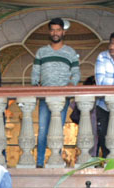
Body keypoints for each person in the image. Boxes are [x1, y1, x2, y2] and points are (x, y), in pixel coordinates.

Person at [31, 18, 79, 168]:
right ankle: (39, 162)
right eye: (52, 30)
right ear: (49, 32)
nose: (55, 33)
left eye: (58, 30)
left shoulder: (70, 52)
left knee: (58, 130)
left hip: (62, 98)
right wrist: (35, 85)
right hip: (45, 97)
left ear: (63, 32)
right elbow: (35, 73)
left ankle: (56, 160)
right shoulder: (41, 52)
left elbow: (76, 74)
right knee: (43, 129)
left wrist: (71, 85)